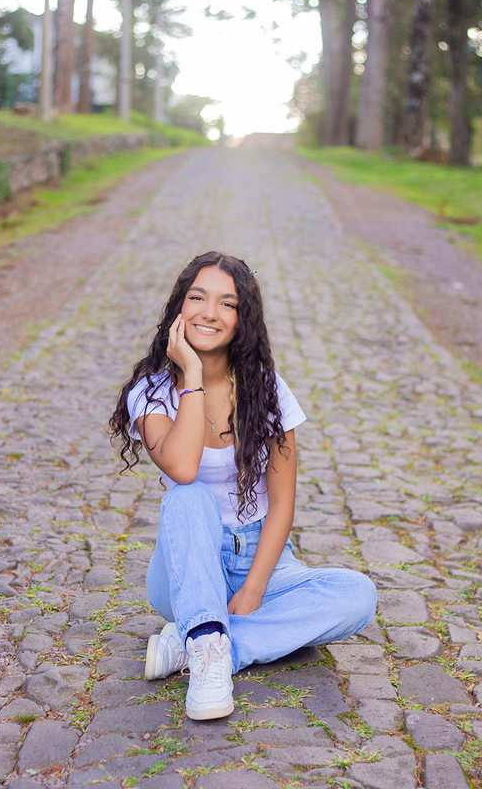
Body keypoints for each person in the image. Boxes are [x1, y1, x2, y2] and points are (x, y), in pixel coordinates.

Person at [107, 251, 378, 720]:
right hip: (188, 562)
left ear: (241, 320)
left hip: (262, 561)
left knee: (358, 596)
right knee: (187, 496)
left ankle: (204, 644)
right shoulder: (151, 392)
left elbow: (281, 504)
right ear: (179, 309)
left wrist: (253, 587)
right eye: (197, 297)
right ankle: (205, 645)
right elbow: (183, 469)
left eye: (226, 303)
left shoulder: (267, 390)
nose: (209, 312)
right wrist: (191, 376)